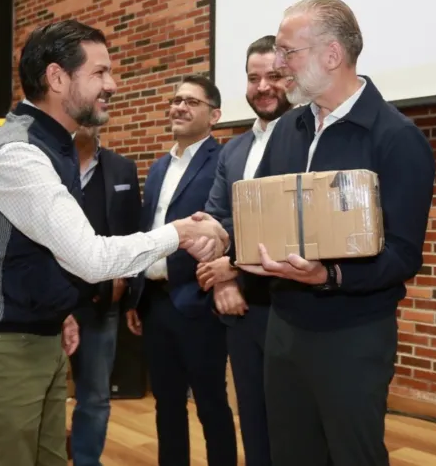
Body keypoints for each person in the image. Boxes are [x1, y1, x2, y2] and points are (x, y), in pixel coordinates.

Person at [0, 20, 228, 466]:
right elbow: (91, 258)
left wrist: (58, 309)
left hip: (39, 336)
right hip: (2, 349)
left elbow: (38, 252)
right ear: (57, 78)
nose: (112, 84)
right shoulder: (17, 154)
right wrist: (182, 232)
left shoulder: (54, 145)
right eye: (100, 73)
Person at [238, 0, 436, 466]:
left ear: (332, 55)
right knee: (290, 453)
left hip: (353, 335)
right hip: (283, 328)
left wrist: (329, 276)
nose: (279, 64)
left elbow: (404, 255)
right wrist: (230, 240)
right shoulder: (288, 128)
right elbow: (263, 215)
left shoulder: (396, 137)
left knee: (353, 455)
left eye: (289, 52)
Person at [125, 75, 238, 466]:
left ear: (214, 115)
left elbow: (229, 223)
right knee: (166, 404)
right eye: (176, 100)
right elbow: (147, 231)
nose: (179, 107)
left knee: (210, 404)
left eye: (191, 101)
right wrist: (136, 296)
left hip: (199, 301)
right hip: (155, 302)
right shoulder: (158, 168)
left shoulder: (224, 162)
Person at [201, 34, 293, 466]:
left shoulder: (307, 139)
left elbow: (286, 219)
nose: (263, 87)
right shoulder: (232, 149)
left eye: (273, 75)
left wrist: (232, 268)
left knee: (291, 426)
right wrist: (220, 281)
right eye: (253, 78)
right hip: (240, 312)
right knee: (252, 420)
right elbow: (214, 218)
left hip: (291, 306)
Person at [68, 124, 142, 465]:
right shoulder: (47, 162)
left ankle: (86, 460)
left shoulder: (121, 167)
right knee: (45, 392)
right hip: (51, 299)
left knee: (96, 395)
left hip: (103, 300)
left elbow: (132, 228)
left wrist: (124, 279)